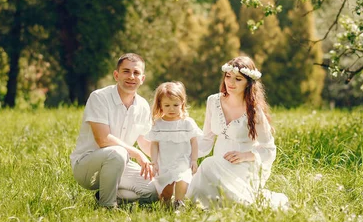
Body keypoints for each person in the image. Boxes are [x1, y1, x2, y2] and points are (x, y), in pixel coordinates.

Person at [186, 56, 289, 209]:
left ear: (249, 83)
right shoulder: (213, 102)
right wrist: (187, 156)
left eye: (238, 79)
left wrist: (247, 155)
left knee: (208, 165)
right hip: (218, 164)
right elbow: (206, 140)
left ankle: (249, 205)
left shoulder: (254, 111)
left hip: (243, 167)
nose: (231, 83)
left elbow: (269, 149)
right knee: (205, 172)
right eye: (228, 77)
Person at [70, 53, 158, 208]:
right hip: (87, 166)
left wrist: (168, 162)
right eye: (126, 71)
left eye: (136, 73)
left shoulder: (143, 105)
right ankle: (108, 206)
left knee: (154, 190)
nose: (131, 76)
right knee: (118, 153)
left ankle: (104, 196)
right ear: (116, 75)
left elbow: (145, 142)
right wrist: (137, 154)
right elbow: (103, 139)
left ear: (142, 79)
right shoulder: (99, 97)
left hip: (120, 164)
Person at [147, 82, 203, 210]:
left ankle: (179, 203)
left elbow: (194, 141)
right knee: (166, 189)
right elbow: (154, 143)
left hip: (182, 160)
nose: (171, 109)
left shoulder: (187, 123)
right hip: (165, 161)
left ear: (182, 103)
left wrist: (194, 159)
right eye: (167, 105)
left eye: (175, 105)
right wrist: (154, 161)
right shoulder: (158, 124)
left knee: (182, 179)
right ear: (160, 105)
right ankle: (165, 205)